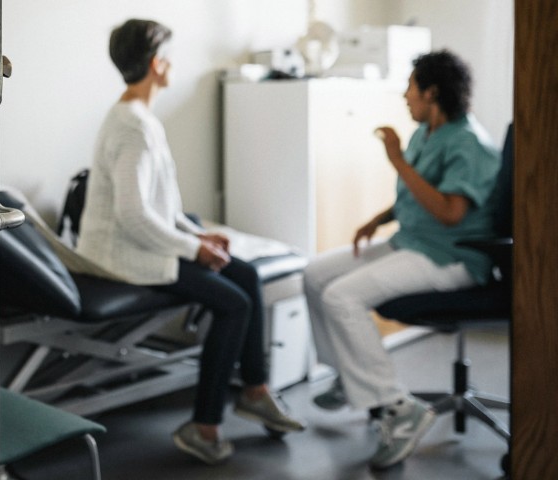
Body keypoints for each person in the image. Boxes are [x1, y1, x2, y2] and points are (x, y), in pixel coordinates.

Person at [75, 19, 304, 465]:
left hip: (147, 243)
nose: (172, 63)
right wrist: (192, 249)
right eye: (169, 56)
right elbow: (133, 215)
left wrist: (198, 235)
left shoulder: (139, 118)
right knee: (233, 303)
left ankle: (254, 389)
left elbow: (160, 206)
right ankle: (204, 427)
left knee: (246, 273)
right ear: (157, 64)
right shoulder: (132, 126)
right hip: (124, 257)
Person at [303, 49, 501, 469]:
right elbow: (418, 193)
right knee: (316, 274)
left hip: (452, 257)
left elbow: (450, 211)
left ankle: (398, 407)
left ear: (431, 93)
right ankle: (348, 375)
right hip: (412, 241)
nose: (404, 96)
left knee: (341, 297)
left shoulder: (469, 144)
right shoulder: (425, 133)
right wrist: (379, 218)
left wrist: (394, 160)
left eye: (410, 88)